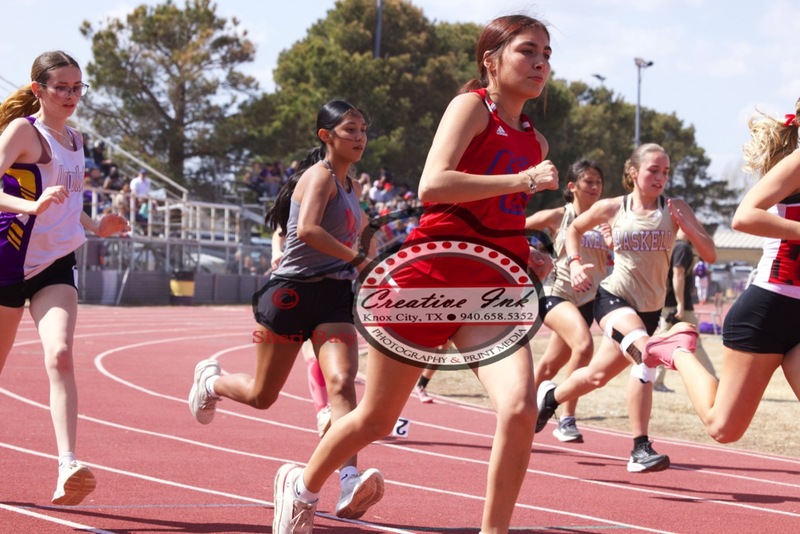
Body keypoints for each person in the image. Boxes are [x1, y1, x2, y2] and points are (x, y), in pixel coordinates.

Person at [272, 15, 559, 533]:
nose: (541, 62)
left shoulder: (535, 142)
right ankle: (302, 486)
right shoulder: (471, 107)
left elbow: (501, 219)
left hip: (490, 290)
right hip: (425, 281)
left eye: (546, 53)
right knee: (376, 420)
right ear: (490, 61)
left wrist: (530, 254)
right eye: (527, 51)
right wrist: (520, 178)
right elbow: (434, 186)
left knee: (519, 408)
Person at [187, 100, 381, 522]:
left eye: (364, 129)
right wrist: (359, 258)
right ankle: (212, 382)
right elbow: (308, 231)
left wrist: (375, 258)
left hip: (332, 296)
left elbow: (364, 229)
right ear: (326, 136)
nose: (360, 137)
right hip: (290, 295)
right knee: (262, 395)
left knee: (343, 382)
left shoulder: (353, 187)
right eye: (351, 130)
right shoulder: (318, 177)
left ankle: (349, 479)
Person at [536, 142, 716, 473]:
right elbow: (574, 228)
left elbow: (711, 254)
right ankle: (640, 448)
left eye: (666, 171)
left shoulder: (675, 207)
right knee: (645, 358)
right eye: (653, 170)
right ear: (633, 173)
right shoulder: (613, 207)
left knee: (596, 376)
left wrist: (689, 229)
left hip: (649, 310)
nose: (661, 177)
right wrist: (575, 263)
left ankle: (550, 398)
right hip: (613, 298)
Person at [0, 50, 129, 505]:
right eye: (62, 88)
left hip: (55, 263)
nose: (72, 96)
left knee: (60, 355)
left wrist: (96, 227)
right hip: (8, 260)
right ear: (39, 89)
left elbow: (70, 201)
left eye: (78, 88)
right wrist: (29, 206)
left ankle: (68, 464)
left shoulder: (74, 138)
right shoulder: (23, 132)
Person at [649, 101, 800, 443]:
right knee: (723, 428)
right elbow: (744, 216)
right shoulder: (798, 163)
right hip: (768, 309)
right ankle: (677, 351)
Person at [525, 159, 611, 442]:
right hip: (556, 293)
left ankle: (520, 413)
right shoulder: (558, 217)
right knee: (584, 347)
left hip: (587, 299)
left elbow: (624, 254)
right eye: (588, 182)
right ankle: (566, 418)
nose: (595, 187)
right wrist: (531, 254)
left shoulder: (607, 220)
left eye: (598, 182)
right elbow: (514, 229)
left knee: (550, 365)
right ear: (572, 186)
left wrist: (614, 243)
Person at [653, 227, 716, 392]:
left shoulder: (672, 245)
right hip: (677, 305)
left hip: (668, 303)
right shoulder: (683, 248)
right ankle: (713, 380)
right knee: (695, 342)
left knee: (661, 341)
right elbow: (678, 274)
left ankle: (653, 380)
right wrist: (680, 303)